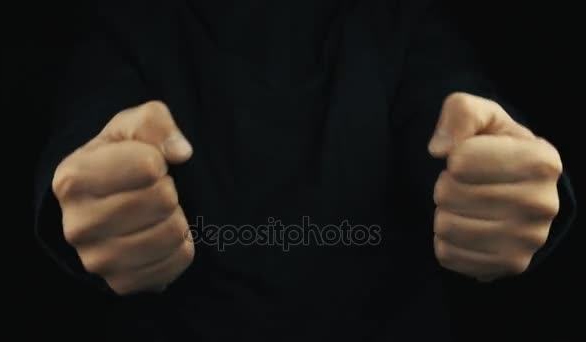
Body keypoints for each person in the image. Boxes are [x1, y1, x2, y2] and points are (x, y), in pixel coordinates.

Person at [34, 0, 576, 341]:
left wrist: (500, 177)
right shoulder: (132, 23)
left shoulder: (401, 21)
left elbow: (456, 111)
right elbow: (89, 140)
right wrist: (93, 193)